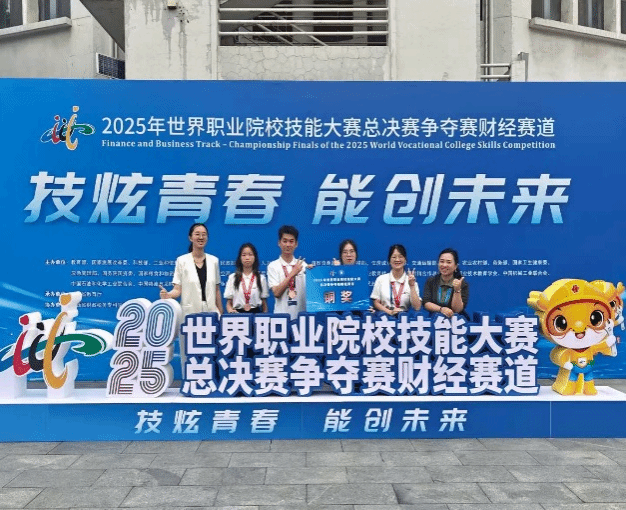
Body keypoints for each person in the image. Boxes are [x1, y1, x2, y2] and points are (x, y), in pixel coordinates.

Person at [159, 224, 224, 370]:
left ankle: (209, 379)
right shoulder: (182, 260)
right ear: (190, 237)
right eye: (197, 234)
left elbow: (217, 289)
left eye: (204, 234)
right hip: (190, 313)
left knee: (211, 350)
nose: (201, 237)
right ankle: (189, 380)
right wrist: (168, 295)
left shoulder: (214, 261)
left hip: (211, 312)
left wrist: (221, 312)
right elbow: (177, 289)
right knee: (188, 351)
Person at [267, 225, 307, 319]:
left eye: (291, 241)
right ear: (279, 243)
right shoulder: (273, 266)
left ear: (296, 244)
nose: (288, 245)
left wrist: (314, 273)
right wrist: (292, 274)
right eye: (285, 241)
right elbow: (276, 293)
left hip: (301, 317)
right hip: (281, 318)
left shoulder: (303, 265)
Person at [371, 244, 421, 315]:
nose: (397, 260)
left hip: (404, 318)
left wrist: (412, 286)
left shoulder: (411, 281)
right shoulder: (381, 279)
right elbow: (376, 303)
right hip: (385, 317)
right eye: (394, 257)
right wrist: (390, 312)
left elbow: (417, 307)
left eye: (400, 257)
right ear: (389, 260)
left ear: (405, 260)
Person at [422, 248, 469, 318]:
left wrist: (457, 290)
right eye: (442, 261)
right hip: (435, 319)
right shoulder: (431, 281)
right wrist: (441, 309)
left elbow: (457, 310)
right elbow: (426, 303)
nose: (444, 265)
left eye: (448, 262)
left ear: (455, 266)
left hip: (456, 321)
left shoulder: (462, 283)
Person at [224, 243, 269, 314]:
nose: (247, 258)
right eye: (244, 255)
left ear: (255, 257)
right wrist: (231, 312)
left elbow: (264, 304)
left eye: (250, 255)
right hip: (237, 314)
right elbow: (229, 303)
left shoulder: (261, 278)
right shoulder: (232, 277)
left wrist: (263, 317)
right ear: (240, 258)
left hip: (256, 314)